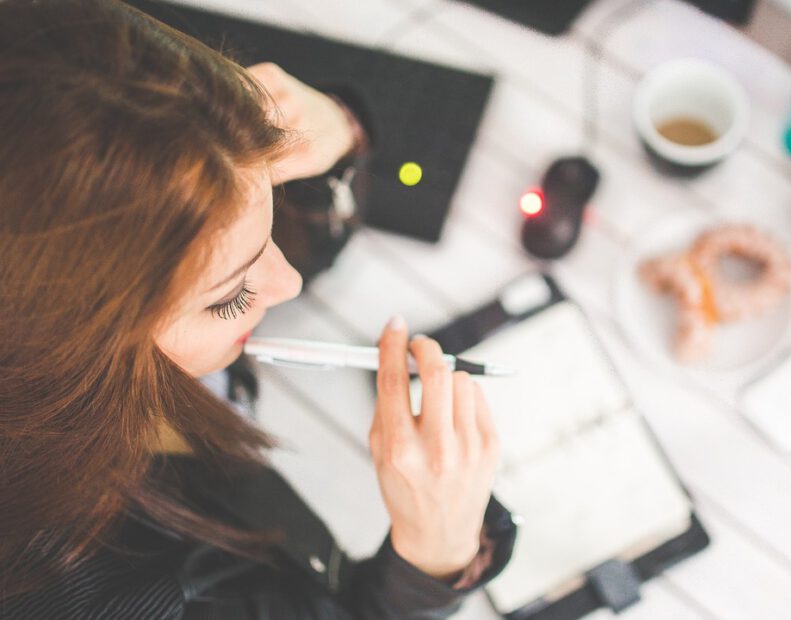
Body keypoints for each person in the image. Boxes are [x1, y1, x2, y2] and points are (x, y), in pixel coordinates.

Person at [0, 1, 516, 618]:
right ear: (60, 350)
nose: (289, 284)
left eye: (267, 202)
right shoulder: (105, 593)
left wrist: (334, 130)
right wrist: (433, 559)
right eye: (231, 295)